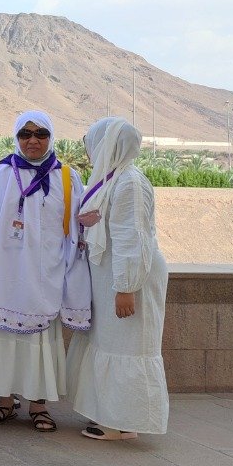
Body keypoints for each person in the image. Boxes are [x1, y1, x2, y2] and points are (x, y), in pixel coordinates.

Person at [0, 111, 91, 433]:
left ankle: (39, 405)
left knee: (40, 341)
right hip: (5, 274)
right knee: (3, 337)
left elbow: (77, 228)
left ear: (51, 137)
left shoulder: (66, 176)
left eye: (40, 133)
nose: (33, 140)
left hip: (44, 274)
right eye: (25, 134)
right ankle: (4, 402)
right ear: (15, 138)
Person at [67, 117, 169, 441]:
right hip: (110, 277)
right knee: (111, 344)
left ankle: (118, 423)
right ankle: (114, 418)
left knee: (128, 347)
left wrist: (126, 289)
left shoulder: (130, 183)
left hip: (126, 279)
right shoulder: (111, 179)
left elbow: (131, 237)